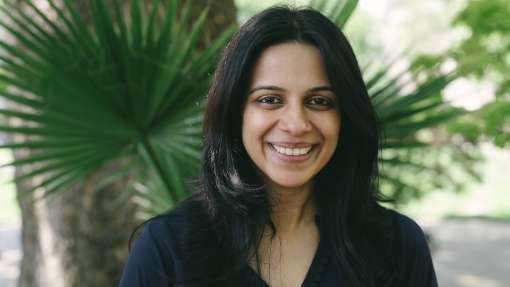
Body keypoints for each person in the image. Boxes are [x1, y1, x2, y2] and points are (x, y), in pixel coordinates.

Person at [119, 5, 437, 287]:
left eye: (319, 101)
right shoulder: (165, 250)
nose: (296, 124)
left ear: (346, 117)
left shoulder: (398, 244)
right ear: (234, 112)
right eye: (270, 99)